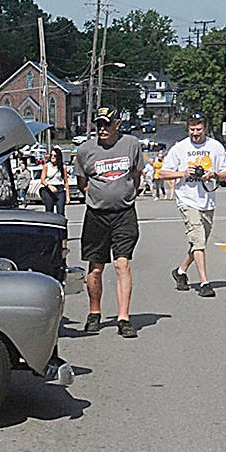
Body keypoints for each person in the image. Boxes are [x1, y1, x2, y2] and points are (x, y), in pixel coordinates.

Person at [73, 109, 147, 337]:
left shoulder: (131, 144)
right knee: (96, 267)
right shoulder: (86, 150)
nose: (102, 129)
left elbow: (136, 175)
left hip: (124, 213)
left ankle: (123, 317)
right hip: (97, 215)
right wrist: (99, 195)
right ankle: (94, 312)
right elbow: (82, 183)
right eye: (99, 125)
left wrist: (124, 194)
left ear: (118, 124)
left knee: (122, 264)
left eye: (107, 124)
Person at [159, 111, 226, 297]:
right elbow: (163, 173)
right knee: (198, 241)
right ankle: (205, 283)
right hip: (186, 199)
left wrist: (212, 174)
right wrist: (183, 173)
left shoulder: (216, 147)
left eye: (198, 129)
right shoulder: (179, 148)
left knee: (199, 243)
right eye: (192, 129)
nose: (195, 133)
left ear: (205, 128)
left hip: (207, 201)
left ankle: (180, 272)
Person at [40, 145, 67, 215]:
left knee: (61, 211)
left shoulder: (63, 167)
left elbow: (66, 182)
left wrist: (68, 196)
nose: (52, 157)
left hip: (60, 189)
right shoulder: (46, 165)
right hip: (49, 189)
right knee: (49, 211)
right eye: (51, 155)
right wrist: (49, 186)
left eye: (54, 156)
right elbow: (42, 180)